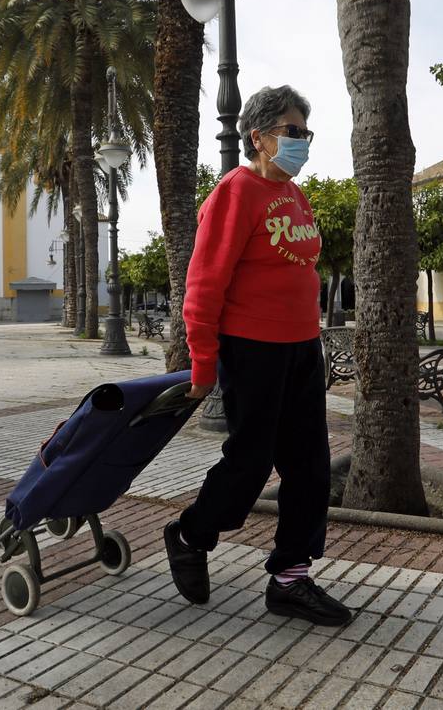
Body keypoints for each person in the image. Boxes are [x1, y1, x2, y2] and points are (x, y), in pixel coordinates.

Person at [164, 85, 352, 627]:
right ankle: (191, 533)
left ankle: (290, 579)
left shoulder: (295, 194)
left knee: (310, 466)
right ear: (259, 137)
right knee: (250, 463)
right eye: (293, 132)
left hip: (300, 348)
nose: (303, 143)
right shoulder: (235, 192)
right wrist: (202, 365)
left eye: (305, 133)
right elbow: (202, 286)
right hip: (252, 350)